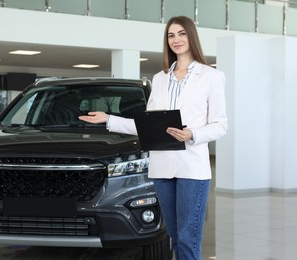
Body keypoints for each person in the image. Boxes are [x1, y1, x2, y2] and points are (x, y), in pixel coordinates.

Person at [79, 16, 227, 260]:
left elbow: (221, 125)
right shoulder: (159, 79)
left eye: (181, 34)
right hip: (162, 170)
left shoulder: (211, 77)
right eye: (171, 35)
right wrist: (108, 119)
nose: (176, 40)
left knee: (188, 240)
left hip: (193, 169)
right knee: (175, 237)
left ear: (191, 36)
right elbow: (147, 125)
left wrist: (193, 133)